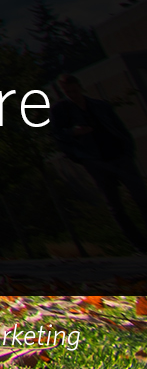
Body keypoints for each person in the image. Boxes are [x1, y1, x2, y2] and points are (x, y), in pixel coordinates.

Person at [56, 73, 147, 251]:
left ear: (80, 87)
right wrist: (74, 135)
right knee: (115, 205)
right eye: (68, 92)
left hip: (119, 156)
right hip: (96, 162)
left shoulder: (100, 105)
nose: (72, 95)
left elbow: (120, 128)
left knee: (142, 198)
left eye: (74, 90)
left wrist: (128, 151)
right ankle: (140, 245)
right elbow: (57, 135)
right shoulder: (61, 110)